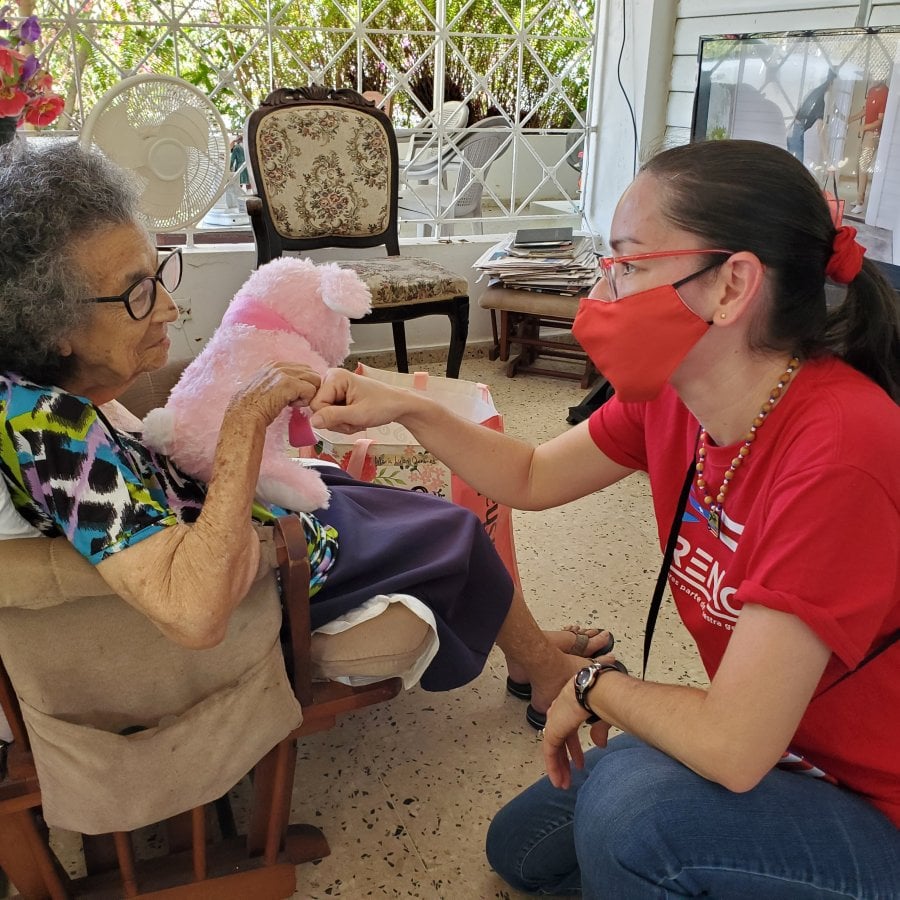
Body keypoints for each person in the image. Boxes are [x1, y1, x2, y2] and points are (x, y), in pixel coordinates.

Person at [307, 139, 900, 896]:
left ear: (732, 285)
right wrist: (411, 408)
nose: (604, 290)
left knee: (634, 824)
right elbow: (528, 474)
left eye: (628, 265)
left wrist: (593, 685)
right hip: (789, 751)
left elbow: (732, 745)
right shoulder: (677, 399)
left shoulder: (841, 450)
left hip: (873, 802)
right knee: (521, 847)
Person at [0, 141, 614, 714]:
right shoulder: (48, 430)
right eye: (137, 293)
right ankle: (541, 671)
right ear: (51, 324)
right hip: (271, 559)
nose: (168, 306)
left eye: (162, 273)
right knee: (453, 527)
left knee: (400, 504)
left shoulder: (44, 398)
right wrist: (245, 420)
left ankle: (527, 647)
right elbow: (192, 610)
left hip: (237, 512)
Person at [849, 79, 888, 215]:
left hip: (873, 135)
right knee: (857, 167)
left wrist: (863, 127)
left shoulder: (885, 93)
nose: (874, 79)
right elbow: (865, 110)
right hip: (866, 134)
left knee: (863, 166)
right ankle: (858, 197)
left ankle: (860, 202)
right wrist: (850, 118)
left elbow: (880, 121)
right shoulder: (871, 90)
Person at [786, 68, 837, 163]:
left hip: (796, 129)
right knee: (797, 166)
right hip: (800, 131)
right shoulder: (822, 101)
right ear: (831, 84)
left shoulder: (814, 92)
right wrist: (827, 156)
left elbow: (799, 110)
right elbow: (820, 130)